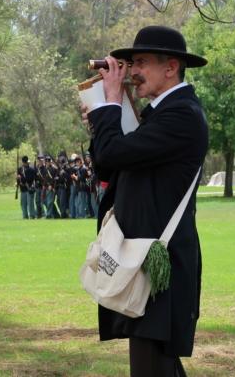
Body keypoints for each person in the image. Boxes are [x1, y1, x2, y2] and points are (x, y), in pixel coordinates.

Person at [81, 25, 208, 377]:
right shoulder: (163, 113)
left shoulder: (181, 115)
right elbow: (117, 163)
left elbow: (110, 156)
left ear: (170, 67)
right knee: (158, 368)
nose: (132, 72)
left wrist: (107, 107)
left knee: (153, 368)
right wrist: (105, 114)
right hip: (148, 260)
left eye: (141, 62)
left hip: (158, 265)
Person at [17, 155, 37, 219]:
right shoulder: (20, 169)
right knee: (23, 204)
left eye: (25, 162)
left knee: (30, 203)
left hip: (29, 188)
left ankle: (32, 215)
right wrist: (17, 180)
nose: (24, 163)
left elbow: (29, 179)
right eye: (24, 162)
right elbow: (19, 180)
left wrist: (21, 177)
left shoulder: (31, 170)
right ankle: (25, 216)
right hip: (23, 189)